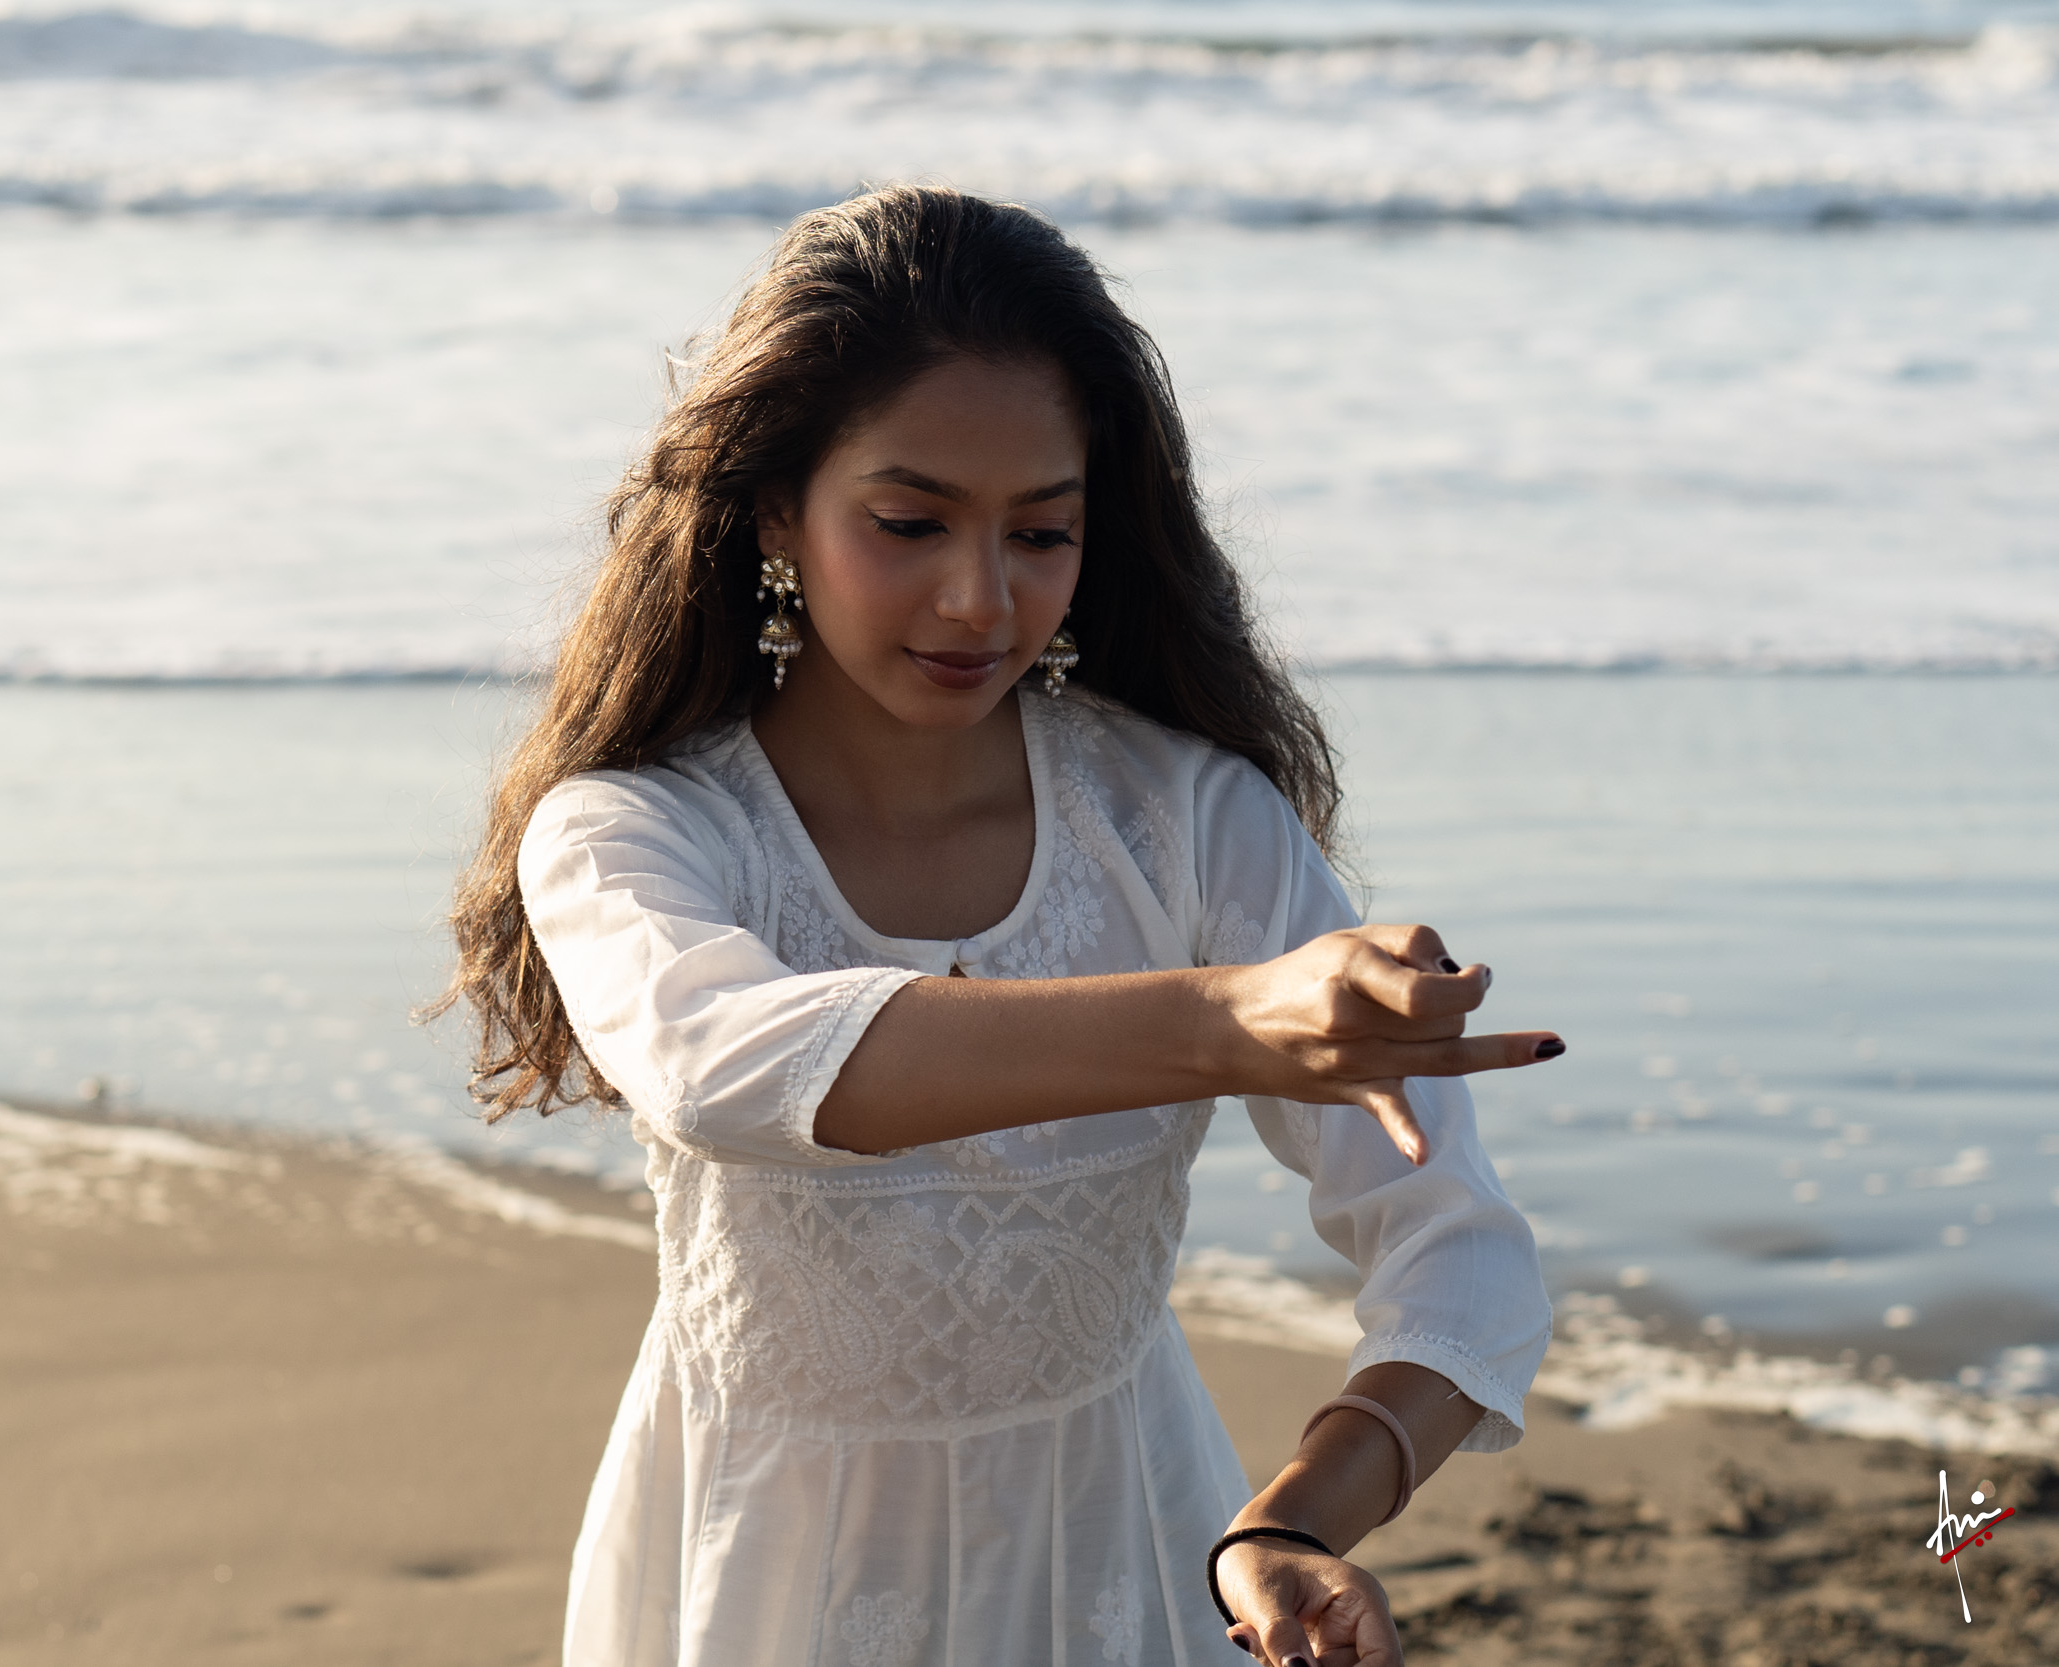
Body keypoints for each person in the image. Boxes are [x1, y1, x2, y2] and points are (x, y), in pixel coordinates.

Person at [438, 186, 1559, 1667]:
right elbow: (720, 1066)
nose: (981, 599)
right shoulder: (636, 830)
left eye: (1042, 533)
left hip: (1124, 1553)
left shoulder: (1187, 820)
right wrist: (1227, 1020)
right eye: (910, 524)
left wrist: (1288, 1524)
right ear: (774, 509)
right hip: (764, 1576)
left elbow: (1467, 1258)